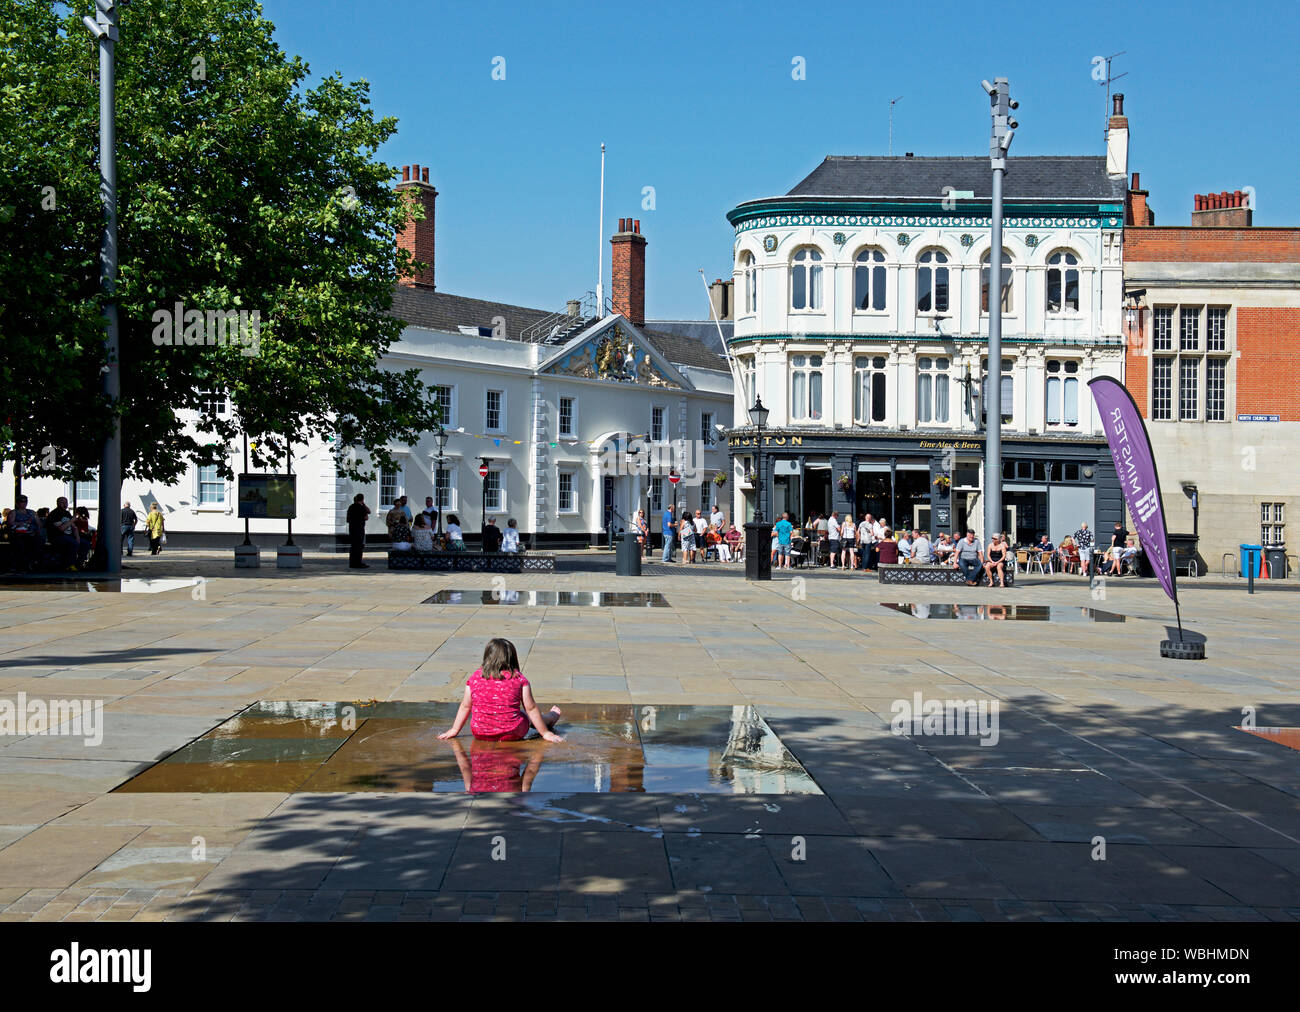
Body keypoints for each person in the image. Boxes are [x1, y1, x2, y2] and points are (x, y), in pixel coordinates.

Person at [438, 638, 564, 743]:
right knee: (524, 715)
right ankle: (550, 718)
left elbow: (465, 706)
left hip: (481, 732)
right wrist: (546, 733)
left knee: (517, 714)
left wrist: (454, 730)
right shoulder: (518, 679)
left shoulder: (474, 678)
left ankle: (546, 718)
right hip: (513, 731)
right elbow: (530, 708)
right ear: (512, 658)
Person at [7, 496, 42, 572]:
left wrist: (37, 529)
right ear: (17, 503)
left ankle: (33, 563)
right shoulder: (14, 512)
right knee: (20, 544)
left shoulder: (32, 512)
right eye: (21, 502)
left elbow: (39, 523)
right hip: (18, 534)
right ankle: (21, 565)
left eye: (25, 501)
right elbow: (10, 523)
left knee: (38, 541)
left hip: (31, 534)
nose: (24, 503)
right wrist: (23, 523)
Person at [347, 493, 370, 568]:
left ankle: (352, 563)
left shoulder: (351, 507)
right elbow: (367, 515)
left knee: (353, 546)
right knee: (359, 547)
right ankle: (358, 563)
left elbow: (348, 519)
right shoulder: (361, 507)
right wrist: (364, 504)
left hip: (352, 529)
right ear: (362, 500)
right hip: (359, 529)